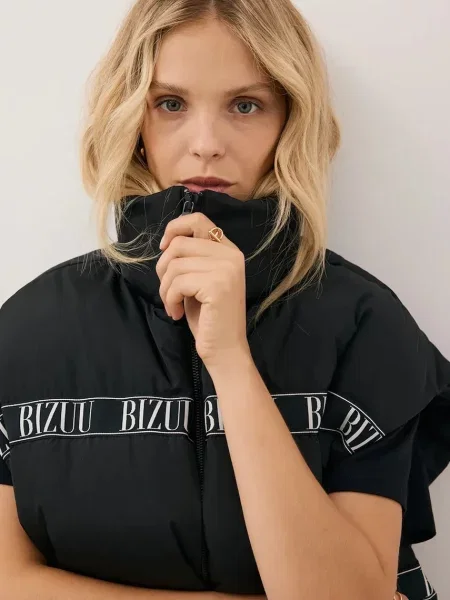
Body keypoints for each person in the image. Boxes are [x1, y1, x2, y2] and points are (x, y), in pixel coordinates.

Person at [0, 0, 448, 599]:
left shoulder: (362, 322)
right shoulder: (29, 330)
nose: (206, 143)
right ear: (131, 116)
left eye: (245, 105)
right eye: (170, 103)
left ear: (291, 120)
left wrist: (232, 361)